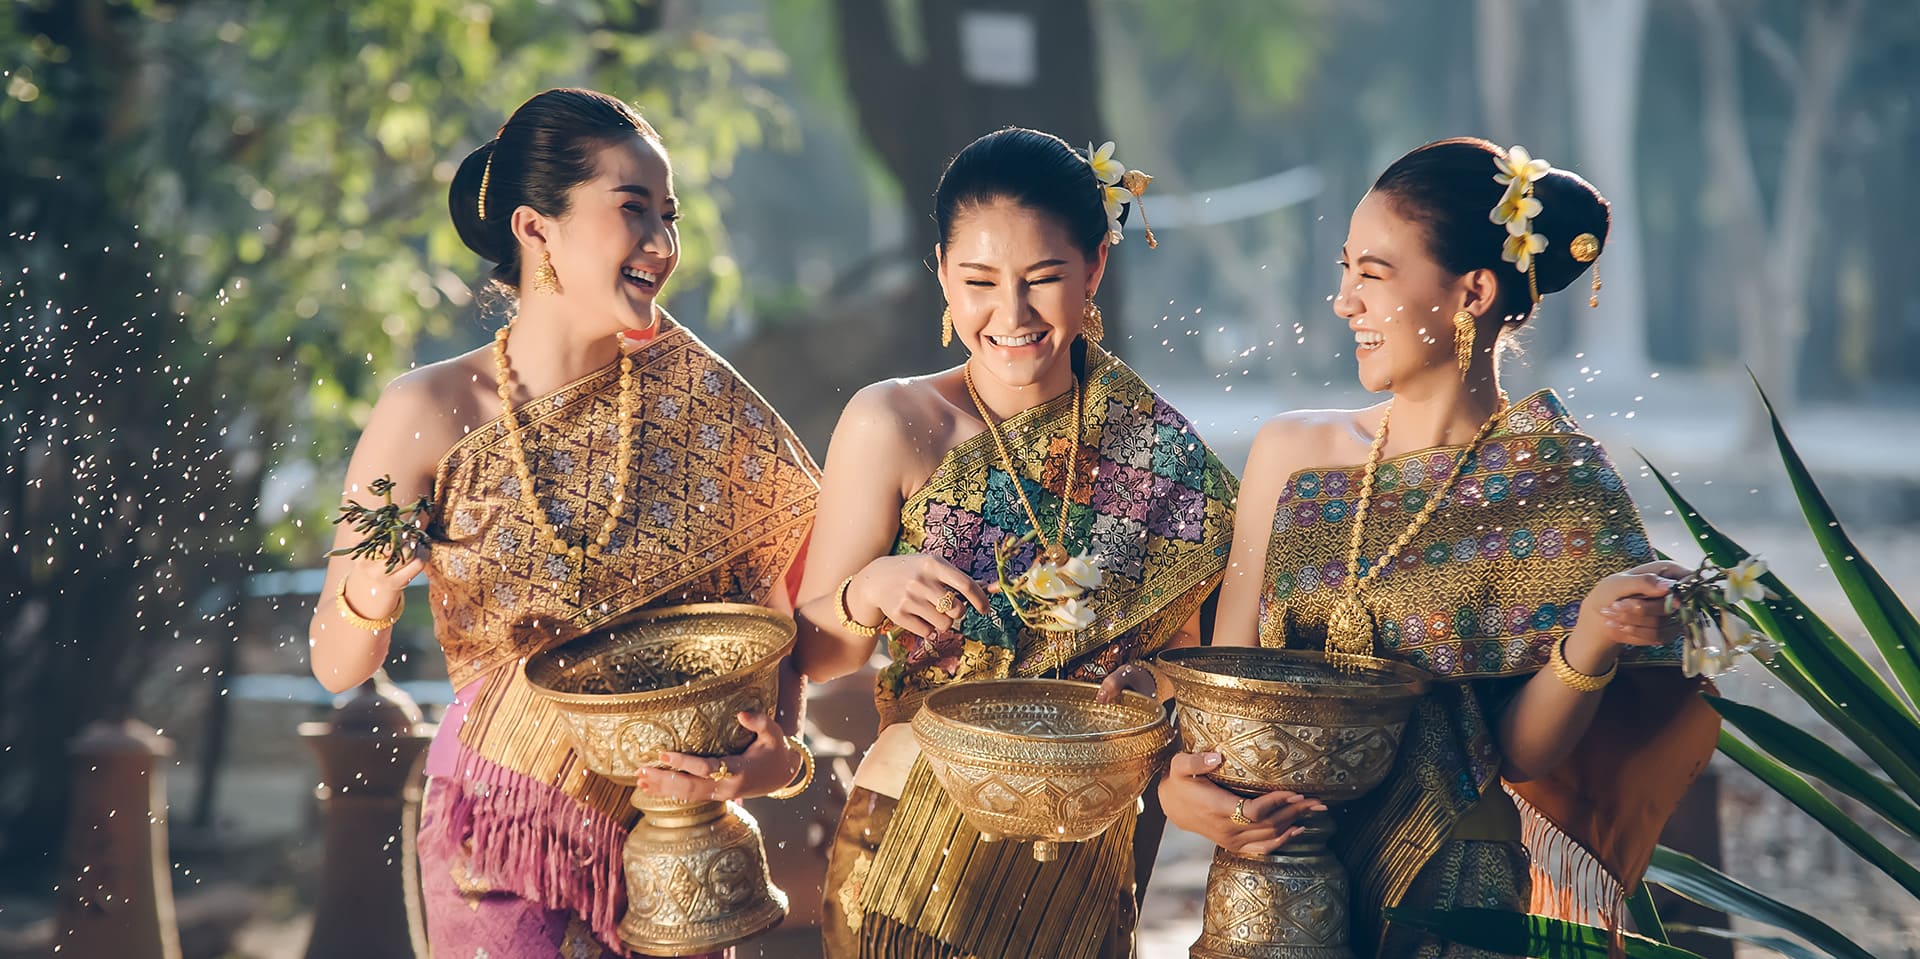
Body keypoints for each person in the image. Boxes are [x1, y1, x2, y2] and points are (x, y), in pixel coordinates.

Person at [1121, 137, 1719, 957]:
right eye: (1345, 270)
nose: (1343, 301)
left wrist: (1592, 640)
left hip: (1452, 880)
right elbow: (1228, 683)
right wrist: (1190, 785)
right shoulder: (1292, 453)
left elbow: (1514, 750)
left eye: (1372, 273)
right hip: (1276, 868)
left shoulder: (1556, 483)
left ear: (1471, 292)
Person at [306, 88, 821, 958]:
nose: (662, 244)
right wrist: (370, 586)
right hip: (502, 830)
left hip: (680, 840)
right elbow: (332, 662)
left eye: (670, 215)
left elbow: (782, 627)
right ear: (534, 227)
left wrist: (781, 762)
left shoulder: (702, 404)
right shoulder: (429, 409)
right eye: (632, 211)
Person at [793, 127, 1239, 959]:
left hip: (1088, 852)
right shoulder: (893, 422)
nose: (1012, 315)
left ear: (1095, 268)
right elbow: (819, 655)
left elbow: (1202, 659)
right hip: (915, 848)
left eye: (1043, 279)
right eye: (978, 282)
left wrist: (1153, 684)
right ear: (941, 276)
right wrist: (867, 590)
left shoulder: (1156, 449)